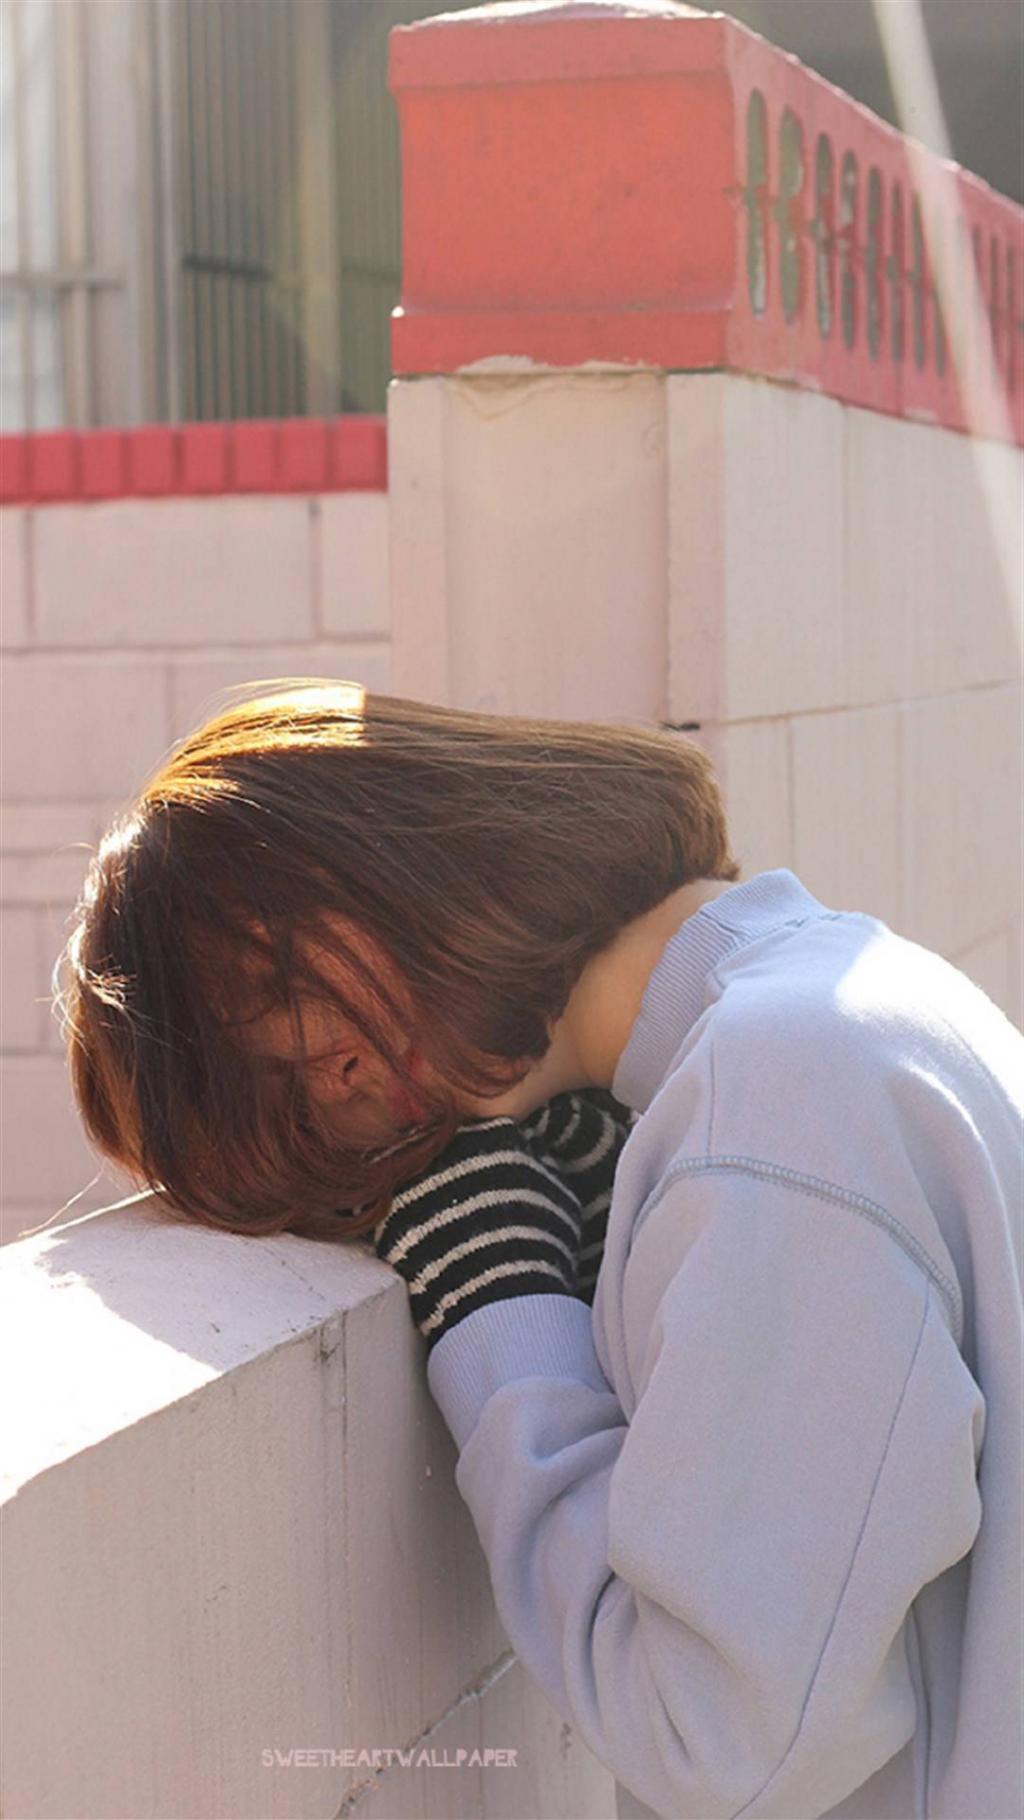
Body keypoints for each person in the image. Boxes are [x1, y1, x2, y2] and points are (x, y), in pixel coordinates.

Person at [60, 680, 1023, 1820]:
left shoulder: (772, 1103)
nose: (324, 1079)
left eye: (277, 994)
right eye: (273, 1110)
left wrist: (502, 1315)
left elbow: (722, 1745)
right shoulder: (840, 995)